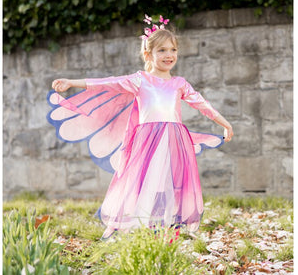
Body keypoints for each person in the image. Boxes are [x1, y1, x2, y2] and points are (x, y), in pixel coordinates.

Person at [47, 15, 233, 240]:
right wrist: (72, 83)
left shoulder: (179, 84)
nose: (169, 55)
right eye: (162, 50)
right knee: (147, 185)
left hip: (174, 141)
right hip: (147, 142)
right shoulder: (140, 80)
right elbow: (107, 82)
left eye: (173, 50)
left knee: (169, 185)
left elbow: (203, 104)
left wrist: (225, 123)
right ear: (149, 54)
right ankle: (146, 232)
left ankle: (167, 234)